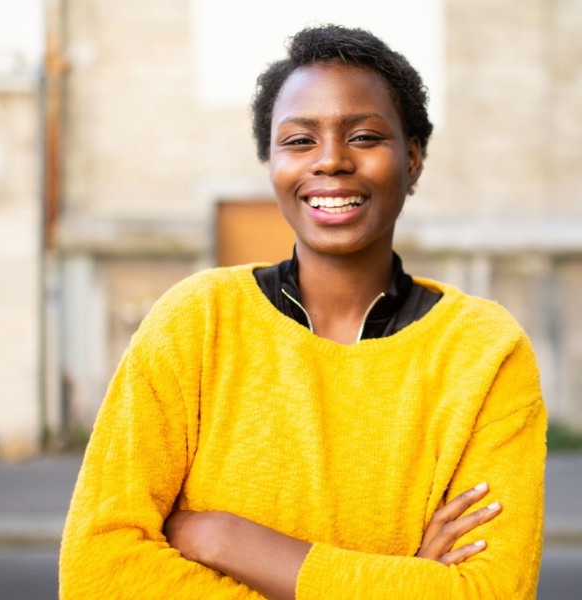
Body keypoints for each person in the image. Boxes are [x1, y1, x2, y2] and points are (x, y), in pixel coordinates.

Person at [59, 25, 546, 600]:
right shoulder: (196, 322)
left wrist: (228, 541)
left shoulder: (485, 352)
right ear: (272, 163)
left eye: (364, 137)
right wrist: (403, 582)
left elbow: (491, 592)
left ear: (412, 159)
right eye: (299, 141)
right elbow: (97, 570)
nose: (332, 161)